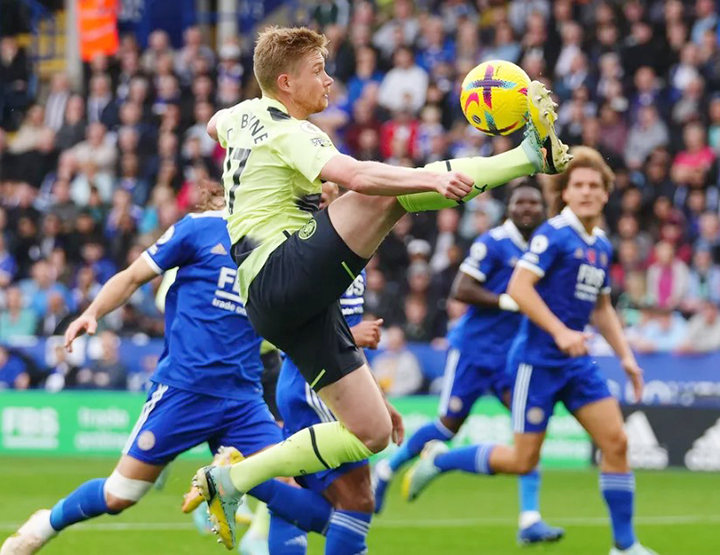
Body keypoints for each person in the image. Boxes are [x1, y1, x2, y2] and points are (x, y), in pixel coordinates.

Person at [194, 25, 571, 548]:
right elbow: (358, 177)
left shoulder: (241, 116)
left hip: (283, 304)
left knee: (368, 433)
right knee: (389, 195)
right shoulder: (292, 131)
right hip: (278, 270)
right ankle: (530, 159)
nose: (328, 80)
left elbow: (214, 125)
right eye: (317, 71)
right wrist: (430, 179)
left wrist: (278, 174)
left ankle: (232, 479)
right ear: (285, 82)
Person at [0, 182, 338, 555]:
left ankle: (348, 531)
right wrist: (92, 313)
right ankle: (43, 526)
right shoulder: (197, 230)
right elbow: (131, 277)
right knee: (120, 495)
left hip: (243, 399)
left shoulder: (280, 246)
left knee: (289, 494)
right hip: (184, 391)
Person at [402, 148, 658, 555]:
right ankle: (440, 461)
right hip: (536, 363)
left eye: (595, 186)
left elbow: (602, 306)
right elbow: (520, 288)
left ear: (606, 194)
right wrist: (559, 332)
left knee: (617, 443)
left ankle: (624, 546)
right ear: (566, 193)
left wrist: (626, 357)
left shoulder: (602, 245)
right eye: (580, 185)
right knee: (522, 460)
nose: (588, 192)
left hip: (575, 364)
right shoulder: (553, 234)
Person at [372, 183, 564, 545]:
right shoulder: (492, 243)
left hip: (511, 357)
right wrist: (507, 302)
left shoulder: (544, 248)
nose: (527, 208)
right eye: (520, 202)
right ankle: (386, 469)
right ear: (509, 208)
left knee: (527, 430)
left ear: (543, 208)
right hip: (474, 351)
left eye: (534, 203)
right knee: (447, 426)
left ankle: (529, 519)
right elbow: (460, 288)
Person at [269, 181, 382, 555]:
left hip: (329, 383)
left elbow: (341, 345)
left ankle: (243, 475)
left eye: (327, 181)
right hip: (312, 385)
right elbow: (292, 320)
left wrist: (380, 401)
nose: (321, 189)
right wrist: (353, 333)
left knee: (322, 494)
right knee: (358, 501)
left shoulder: (347, 249)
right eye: (312, 181)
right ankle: (237, 477)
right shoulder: (295, 247)